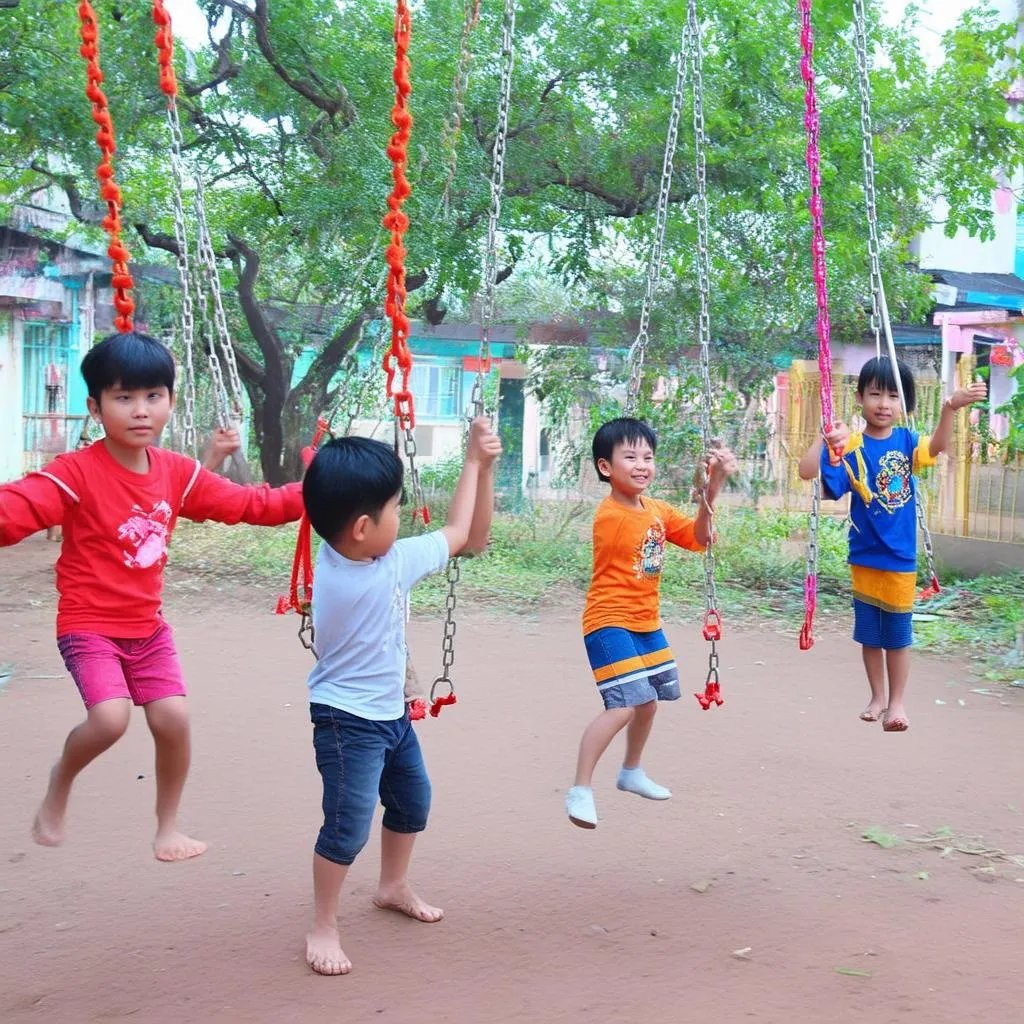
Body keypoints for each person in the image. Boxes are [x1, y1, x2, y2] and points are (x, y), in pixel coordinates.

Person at [0, 332, 305, 861]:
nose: (140, 411)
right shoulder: (75, 474)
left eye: (153, 396)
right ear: (95, 407)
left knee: (173, 720)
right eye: (123, 398)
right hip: (88, 624)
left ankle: (168, 827)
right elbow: (18, 509)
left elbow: (253, 505)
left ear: (169, 399)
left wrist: (319, 488)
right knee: (110, 719)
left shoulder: (178, 472)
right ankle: (60, 784)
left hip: (148, 629)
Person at [300, 418, 500, 977]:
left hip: (389, 714)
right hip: (346, 721)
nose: (404, 518)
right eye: (396, 509)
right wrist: (473, 462)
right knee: (346, 826)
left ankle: (391, 886)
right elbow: (466, 534)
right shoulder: (381, 570)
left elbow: (468, 536)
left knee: (413, 803)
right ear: (364, 527)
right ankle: (323, 924)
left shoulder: (347, 554)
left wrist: (479, 466)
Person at [565, 417, 737, 829]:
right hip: (609, 622)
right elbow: (677, 531)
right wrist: (704, 486)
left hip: (645, 622)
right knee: (623, 705)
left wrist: (712, 488)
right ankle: (581, 789)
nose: (642, 464)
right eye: (630, 457)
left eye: (648, 456)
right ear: (606, 468)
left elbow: (700, 539)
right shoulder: (611, 515)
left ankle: (631, 771)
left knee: (647, 701)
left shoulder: (654, 509)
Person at [798, 355, 986, 732]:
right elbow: (808, 473)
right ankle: (877, 697)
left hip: (899, 557)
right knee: (870, 635)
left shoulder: (907, 442)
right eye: (875, 394)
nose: (883, 404)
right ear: (860, 398)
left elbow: (937, 447)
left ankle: (898, 703)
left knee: (898, 636)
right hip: (864, 556)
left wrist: (949, 407)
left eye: (893, 396)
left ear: (905, 403)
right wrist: (823, 435)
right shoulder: (849, 445)